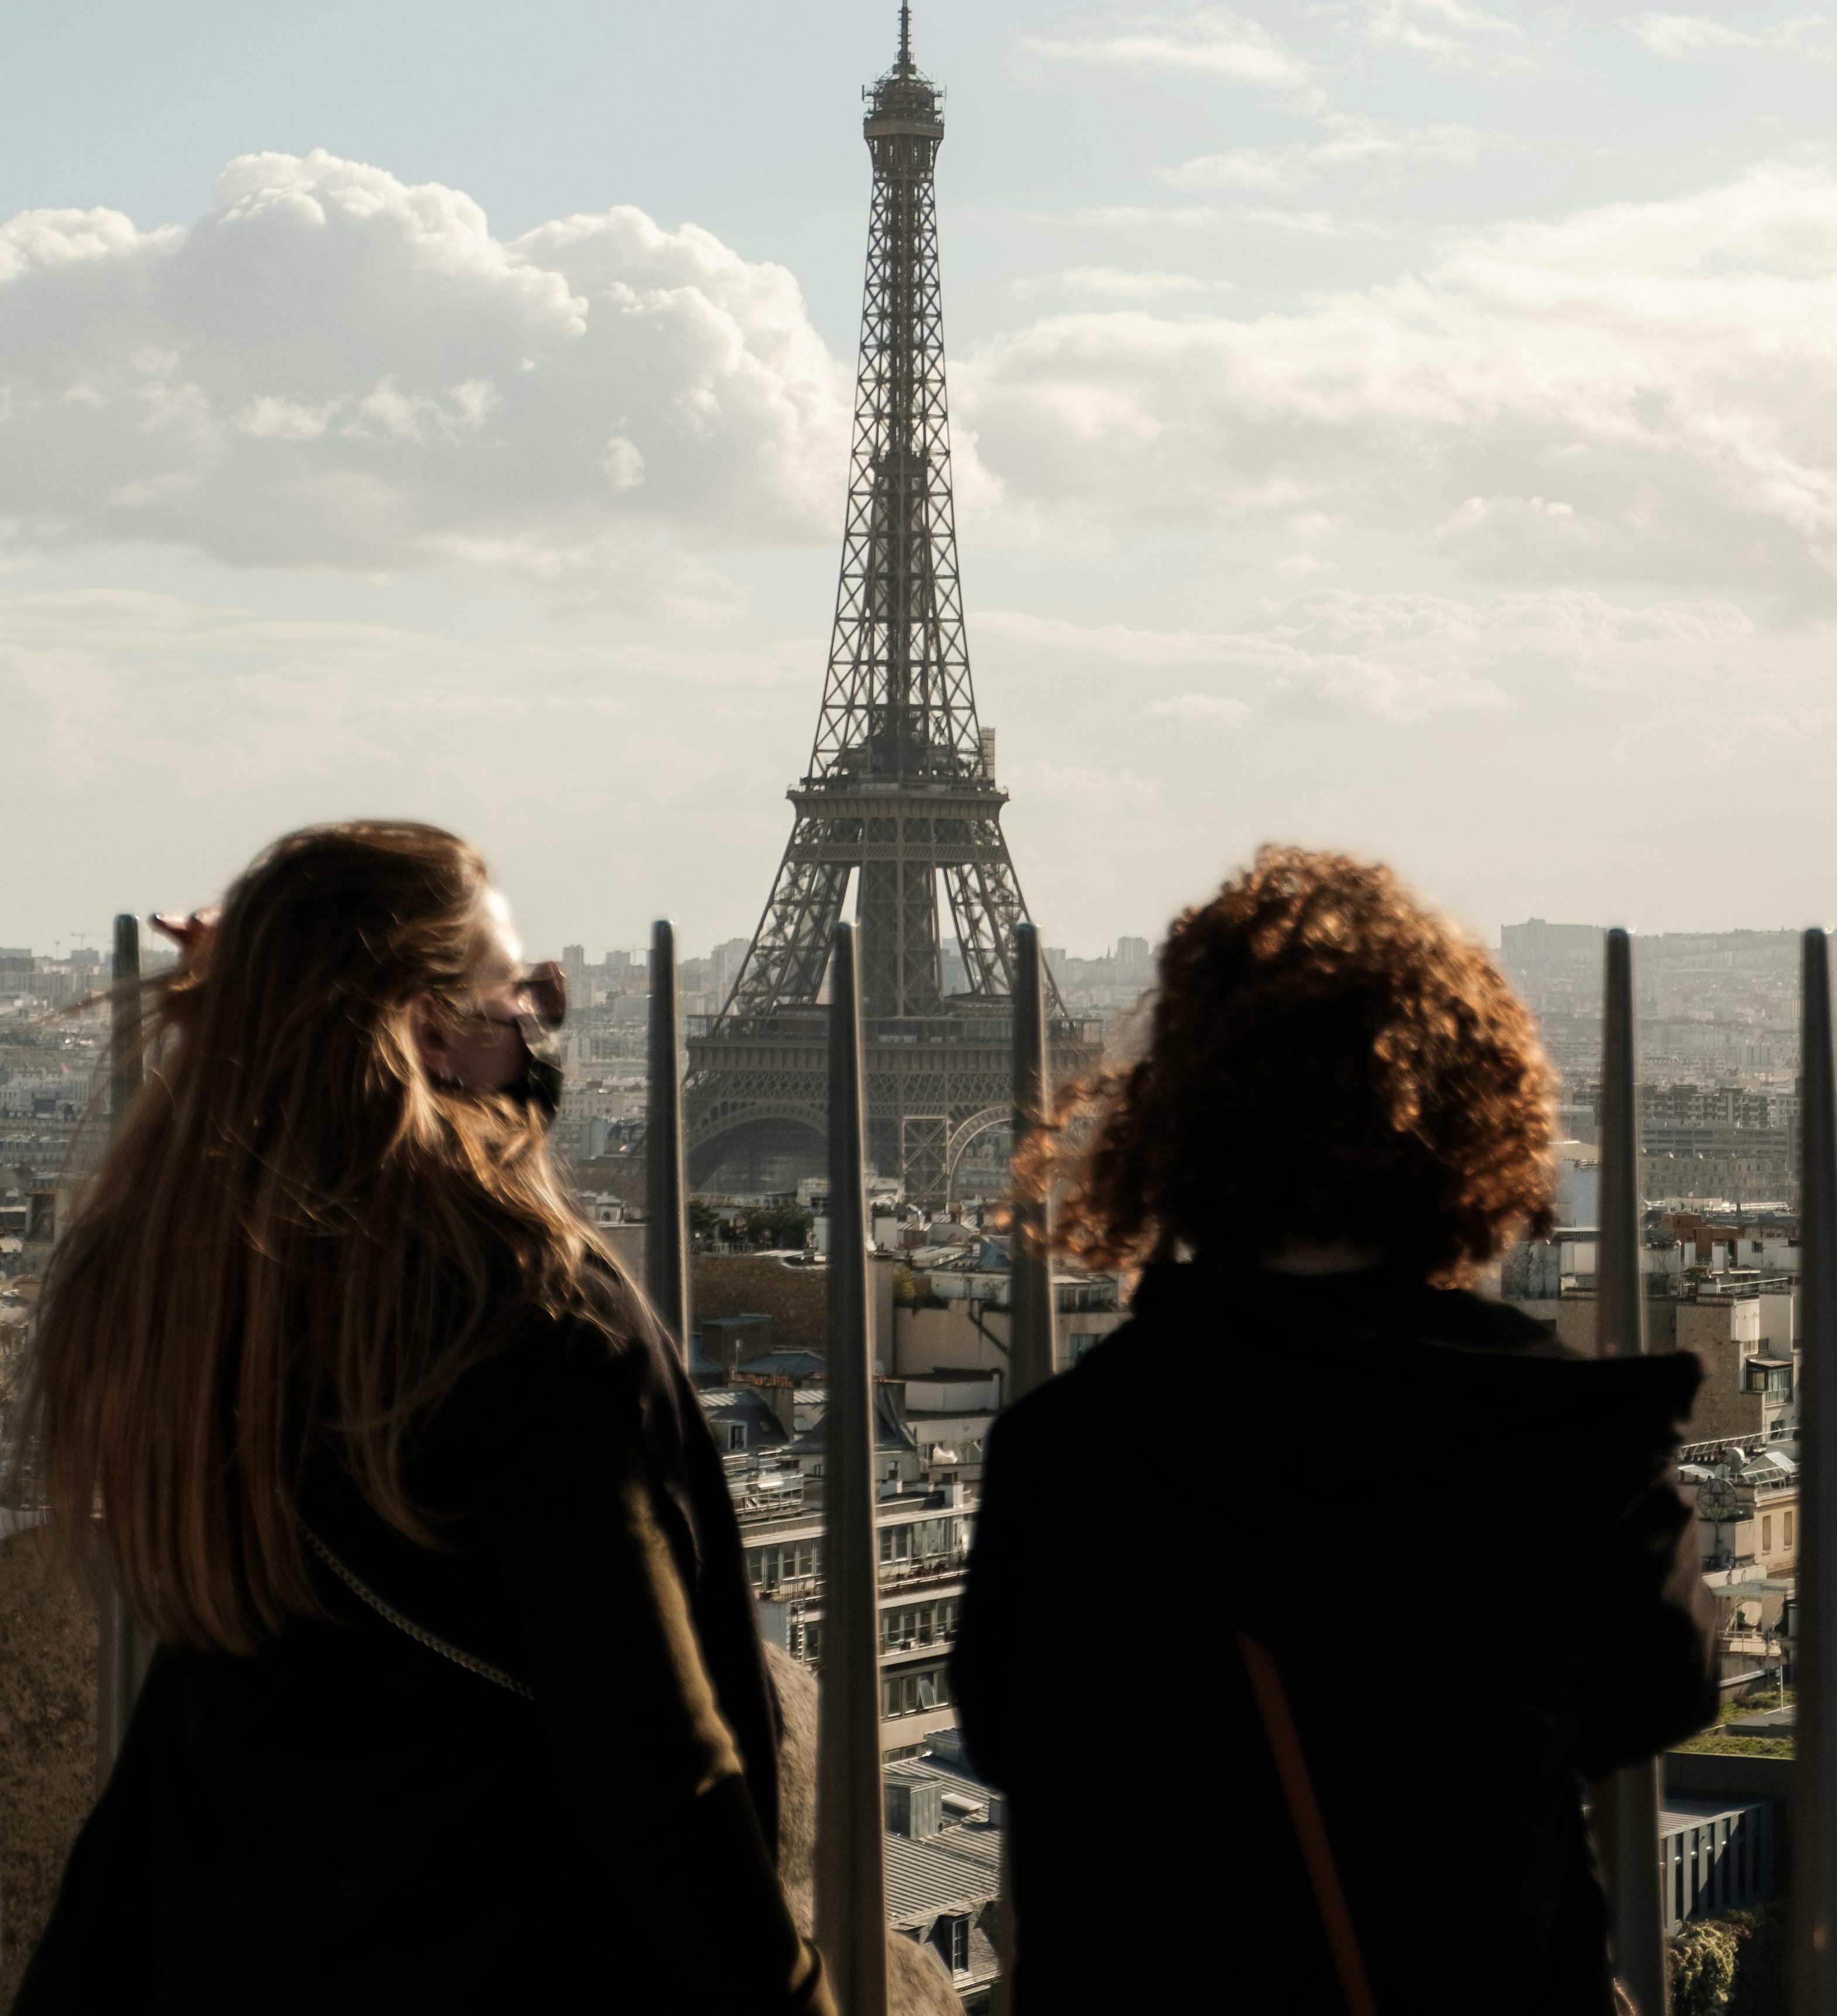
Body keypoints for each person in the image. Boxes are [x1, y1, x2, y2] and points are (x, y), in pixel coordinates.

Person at [15, 820, 832, 2015]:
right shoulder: (531, 1314)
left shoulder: (197, 1301)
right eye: (520, 1002)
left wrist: (249, 1008)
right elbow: (660, 1776)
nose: (541, 1043)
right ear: (426, 1028)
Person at [950, 845, 1717, 2016]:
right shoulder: (1567, 1440)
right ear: (1470, 1120)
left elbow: (1008, 1737)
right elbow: (1662, 1692)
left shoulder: (1071, 1449)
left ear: (1180, 1120)